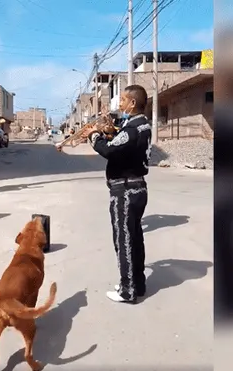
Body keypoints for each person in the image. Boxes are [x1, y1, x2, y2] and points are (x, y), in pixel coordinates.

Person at [84, 84, 152, 304]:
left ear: (133, 103)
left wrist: (94, 136)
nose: (119, 103)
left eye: (122, 100)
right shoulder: (141, 126)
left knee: (123, 240)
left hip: (125, 191)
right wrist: (111, 131)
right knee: (135, 238)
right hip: (138, 188)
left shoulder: (132, 129)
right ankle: (137, 283)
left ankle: (127, 289)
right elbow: (123, 144)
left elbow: (110, 149)